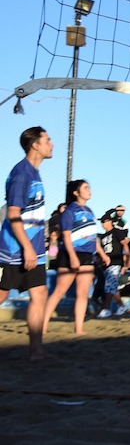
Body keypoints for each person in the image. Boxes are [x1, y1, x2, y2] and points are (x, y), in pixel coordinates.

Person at [0, 126, 53, 359]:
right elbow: (13, 214)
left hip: (35, 249)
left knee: (39, 295)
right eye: (48, 140)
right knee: (2, 295)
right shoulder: (22, 174)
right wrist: (27, 247)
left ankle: (36, 352)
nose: (51, 144)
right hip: (14, 249)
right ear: (35, 145)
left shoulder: (35, 172)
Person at [43, 180, 108, 336]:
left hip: (87, 255)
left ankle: (78, 328)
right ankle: (42, 326)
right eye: (85, 188)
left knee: (83, 293)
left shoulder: (90, 211)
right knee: (59, 291)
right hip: (71, 254)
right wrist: (72, 257)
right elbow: (65, 236)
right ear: (75, 192)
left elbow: (93, 236)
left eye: (89, 187)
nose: (89, 190)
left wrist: (102, 253)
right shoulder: (70, 211)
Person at [97, 212, 130, 317]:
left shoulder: (117, 232)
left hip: (116, 262)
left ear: (109, 221)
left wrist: (127, 261)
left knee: (109, 286)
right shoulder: (103, 236)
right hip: (106, 264)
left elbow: (125, 245)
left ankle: (106, 309)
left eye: (104, 222)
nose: (102, 224)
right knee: (112, 287)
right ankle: (121, 306)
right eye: (101, 222)